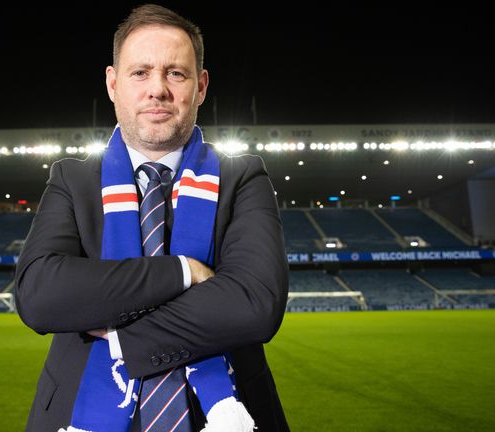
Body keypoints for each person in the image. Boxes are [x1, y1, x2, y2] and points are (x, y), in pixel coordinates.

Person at [15, 4, 289, 431]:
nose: (157, 89)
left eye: (175, 73)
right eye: (140, 73)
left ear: (200, 87)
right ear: (112, 84)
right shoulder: (72, 179)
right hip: (78, 413)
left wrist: (123, 335)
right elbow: (40, 296)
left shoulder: (243, 177)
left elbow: (254, 306)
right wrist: (183, 273)